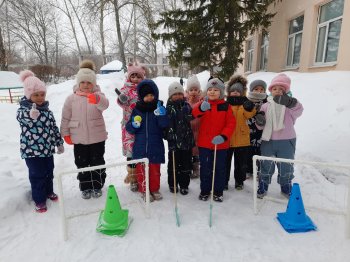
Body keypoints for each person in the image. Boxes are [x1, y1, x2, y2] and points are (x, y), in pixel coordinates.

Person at [61, 60, 109, 200]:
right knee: (81, 163)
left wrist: (97, 99)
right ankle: (86, 186)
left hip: (97, 138)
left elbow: (105, 105)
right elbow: (65, 117)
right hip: (79, 138)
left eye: (89, 83)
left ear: (93, 84)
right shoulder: (71, 99)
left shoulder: (99, 95)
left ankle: (97, 185)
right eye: (83, 82)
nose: (86, 85)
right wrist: (65, 134)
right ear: (78, 83)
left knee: (97, 162)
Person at [16, 70, 64, 213]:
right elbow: (21, 118)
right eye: (36, 95)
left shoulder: (47, 111)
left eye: (42, 94)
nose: (39, 98)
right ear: (29, 95)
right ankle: (39, 199)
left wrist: (58, 142)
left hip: (47, 150)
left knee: (49, 172)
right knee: (37, 175)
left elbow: (53, 128)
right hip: (32, 151)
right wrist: (30, 116)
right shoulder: (23, 110)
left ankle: (49, 191)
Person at [256, 73, 303, 198]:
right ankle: (263, 184)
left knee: (286, 165)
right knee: (266, 163)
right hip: (268, 140)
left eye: (281, 89)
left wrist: (291, 102)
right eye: (274, 89)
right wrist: (259, 121)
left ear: (286, 91)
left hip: (286, 141)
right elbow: (260, 126)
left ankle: (286, 185)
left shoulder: (290, 106)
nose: (277, 91)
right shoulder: (265, 106)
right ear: (271, 91)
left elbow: (299, 111)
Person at [192, 77, 236, 202]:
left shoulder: (226, 106)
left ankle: (218, 191)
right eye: (210, 89)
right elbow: (194, 113)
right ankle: (205, 191)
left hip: (220, 145)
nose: (212, 92)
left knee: (219, 169)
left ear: (221, 92)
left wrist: (223, 136)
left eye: (216, 90)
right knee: (205, 168)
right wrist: (201, 108)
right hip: (205, 144)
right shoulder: (203, 103)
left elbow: (231, 124)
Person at [126, 79, 169, 202]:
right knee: (142, 171)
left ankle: (154, 189)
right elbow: (129, 128)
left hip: (155, 146)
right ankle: (144, 190)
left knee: (155, 171)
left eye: (151, 95)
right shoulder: (137, 109)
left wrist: (162, 115)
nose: (149, 98)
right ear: (141, 97)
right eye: (146, 96)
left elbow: (164, 125)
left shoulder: (159, 108)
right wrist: (134, 124)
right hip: (140, 147)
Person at [115, 63, 146, 192]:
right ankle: (132, 177)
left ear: (142, 77)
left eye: (138, 76)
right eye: (132, 75)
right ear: (129, 77)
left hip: (143, 125)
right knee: (131, 151)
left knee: (143, 150)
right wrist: (121, 99)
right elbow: (121, 102)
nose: (135, 78)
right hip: (129, 126)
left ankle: (143, 176)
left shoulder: (144, 88)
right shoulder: (125, 89)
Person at [225, 75, 256, 190]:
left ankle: (239, 181)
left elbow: (250, 115)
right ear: (229, 92)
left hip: (242, 139)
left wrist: (249, 107)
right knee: (225, 163)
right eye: (232, 91)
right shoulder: (226, 104)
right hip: (227, 139)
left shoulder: (245, 104)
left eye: (238, 91)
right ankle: (224, 181)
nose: (235, 93)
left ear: (242, 92)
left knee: (241, 164)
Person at [164, 81, 194, 195]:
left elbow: (192, 116)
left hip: (186, 142)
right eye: (174, 94)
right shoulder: (167, 108)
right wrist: (167, 135)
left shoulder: (187, 106)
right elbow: (164, 124)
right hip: (174, 143)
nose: (177, 96)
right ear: (171, 96)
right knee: (173, 165)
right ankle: (173, 184)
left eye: (179, 93)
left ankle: (184, 185)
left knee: (186, 165)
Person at [246, 79, 268, 178]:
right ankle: (248, 170)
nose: (259, 91)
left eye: (261, 89)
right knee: (248, 152)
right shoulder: (246, 101)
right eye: (256, 89)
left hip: (262, 133)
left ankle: (260, 171)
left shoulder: (267, 102)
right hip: (248, 132)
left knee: (261, 152)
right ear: (251, 90)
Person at [185, 75, 202, 178]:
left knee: (196, 152)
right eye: (191, 90)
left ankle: (196, 169)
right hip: (189, 130)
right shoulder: (185, 103)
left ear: (199, 91)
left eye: (196, 89)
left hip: (199, 130)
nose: (193, 92)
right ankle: (188, 168)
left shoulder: (201, 102)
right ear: (187, 91)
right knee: (189, 151)